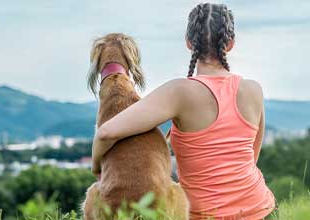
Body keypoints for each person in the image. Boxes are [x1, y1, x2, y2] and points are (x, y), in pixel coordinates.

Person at [91, 3, 276, 220]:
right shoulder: (254, 89)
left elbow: (106, 133)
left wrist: (97, 167)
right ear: (231, 43)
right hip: (262, 209)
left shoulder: (179, 92)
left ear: (189, 43)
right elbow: (251, 158)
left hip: (203, 215)